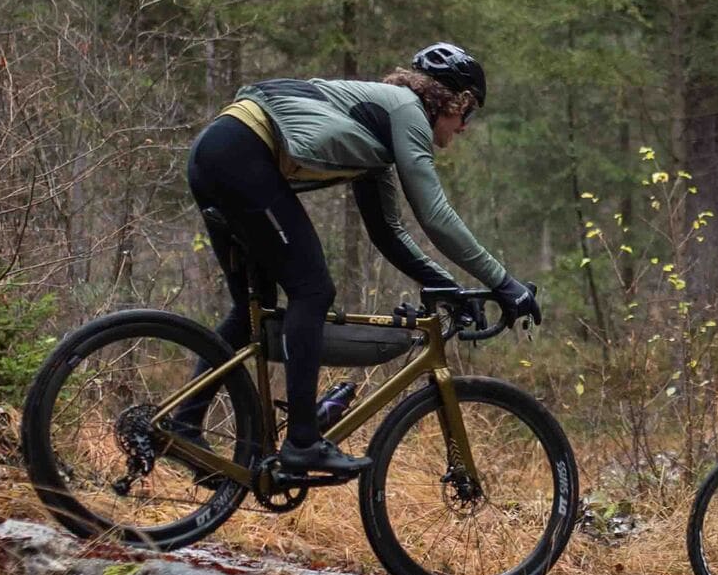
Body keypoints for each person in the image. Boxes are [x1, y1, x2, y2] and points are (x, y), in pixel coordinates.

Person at [178, 42, 540, 478]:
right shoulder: (408, 111)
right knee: (312, 289)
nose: (464, 128)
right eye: (470, 114)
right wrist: (504, 282)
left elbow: (387, 232)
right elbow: (435, 216)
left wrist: (450, 288)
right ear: (454, 101)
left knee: (250, 307)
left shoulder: (378, 130)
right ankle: (303, 443)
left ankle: (184, 422)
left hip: (214, 154)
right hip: (240, 154)